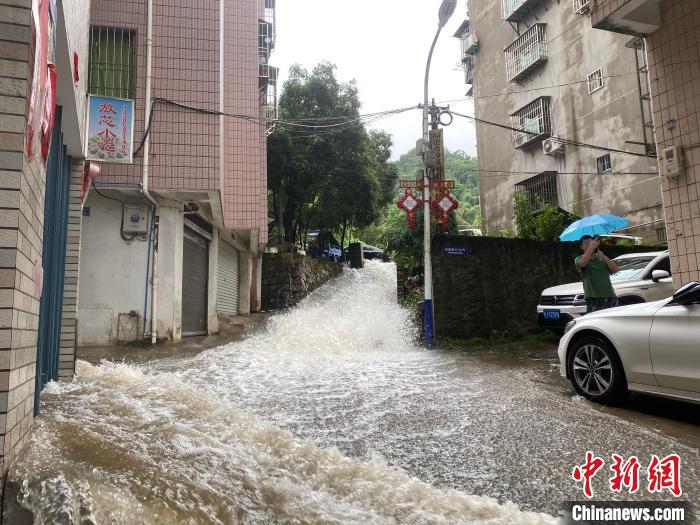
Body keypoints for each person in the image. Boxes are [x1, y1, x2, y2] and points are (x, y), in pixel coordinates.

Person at [575, 235, 620, 313]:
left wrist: (603, 256)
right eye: (586, 243)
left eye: (591, 242)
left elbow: (615, 269)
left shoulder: (600, 256)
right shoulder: (579, 259)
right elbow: (582, 264)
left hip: (609, 295)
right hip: (593, 297)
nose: (590, 244)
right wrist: (591, 248)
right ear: (581, 247)